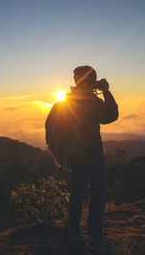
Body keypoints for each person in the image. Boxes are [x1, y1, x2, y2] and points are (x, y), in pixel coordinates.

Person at [45, 65, 118, 252]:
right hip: (92, 153)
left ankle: (73, 233)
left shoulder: (65, 102)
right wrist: (106, 91)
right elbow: (111, 115)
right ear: (89, 81)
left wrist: (59, 154)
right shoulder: (91, 102)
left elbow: (51, 128)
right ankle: (95, 237)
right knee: (97, 194)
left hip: (74, 155)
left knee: (76, 193)